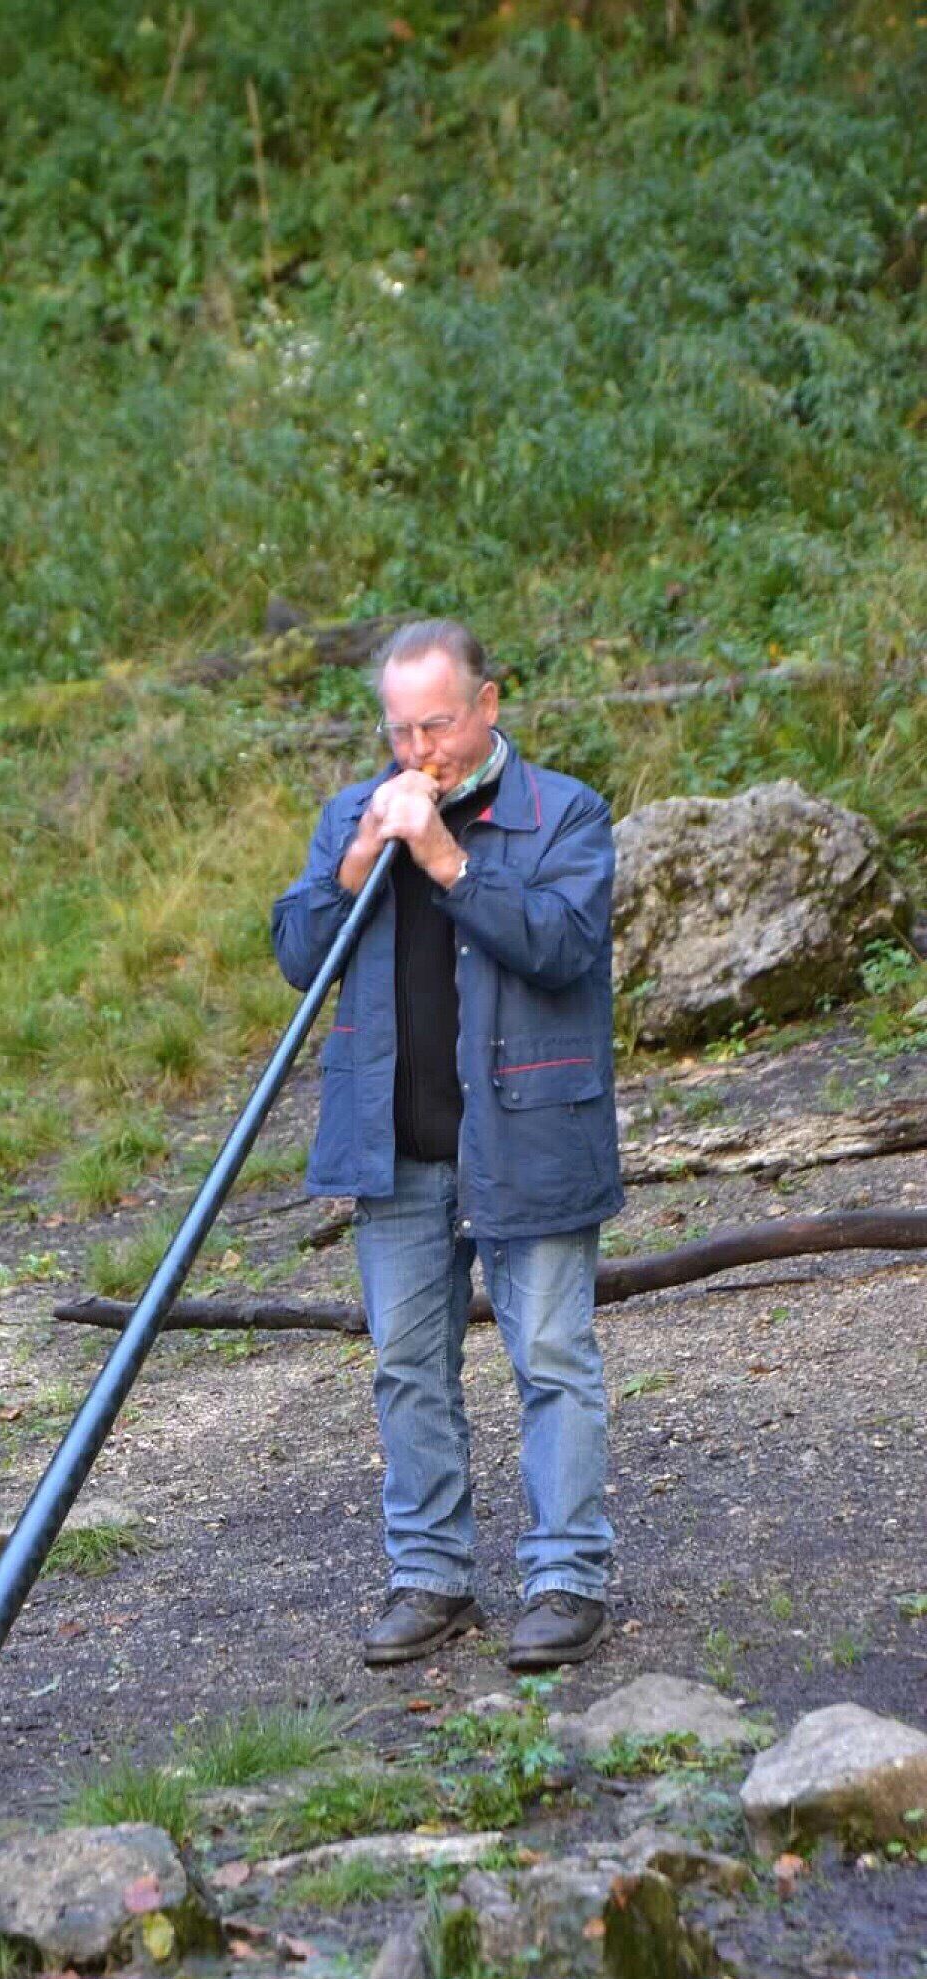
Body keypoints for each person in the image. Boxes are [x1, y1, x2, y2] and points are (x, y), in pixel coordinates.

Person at [271, 618, 622, 1673]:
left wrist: (445, 859)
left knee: (551, 1358)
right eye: (399, 729)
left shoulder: (563, 812)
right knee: (407, 1369)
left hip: (530, 1138)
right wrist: (362, 855)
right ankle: (431, 1577)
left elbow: (564, 946)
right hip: (395, 1148)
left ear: (488, 704)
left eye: (437, 724)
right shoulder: (356, 813)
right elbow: (298, 954)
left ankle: (566, 1580)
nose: (419, 748)